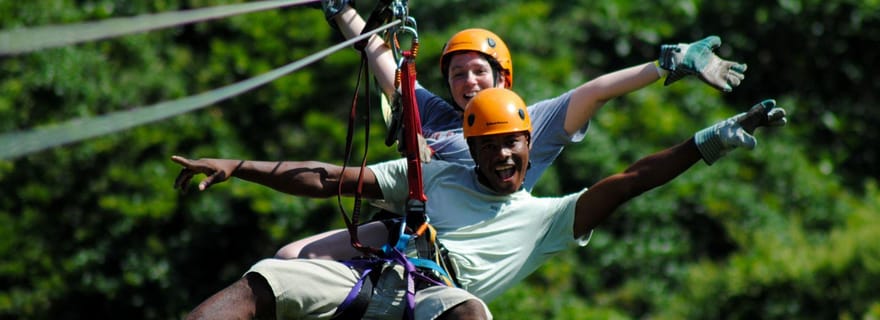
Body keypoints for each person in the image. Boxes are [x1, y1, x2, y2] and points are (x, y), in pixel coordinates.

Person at [175, 88, 787, 319]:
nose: (501, 158)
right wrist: (238, 167)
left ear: (530, 145)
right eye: (488, 147)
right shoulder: (435, 178)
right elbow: (327, 178)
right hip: (370, 277)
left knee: (471, 315)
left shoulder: (546, 219)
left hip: (440, 298)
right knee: (267, 280)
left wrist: (708, 142)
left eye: (512, 146)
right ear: (473, 146)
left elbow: (630, 179)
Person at [269, 3, 748, 260]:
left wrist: (667, 63)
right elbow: (382, 59)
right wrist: (341, 11)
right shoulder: (435, 115)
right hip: (406, 230)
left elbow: (595, 92)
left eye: (479, 71)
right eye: (457, 74)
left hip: (468, 245)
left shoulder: (528, 123)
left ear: (503, 79)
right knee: (293, 256)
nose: (468, 82)